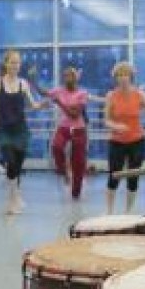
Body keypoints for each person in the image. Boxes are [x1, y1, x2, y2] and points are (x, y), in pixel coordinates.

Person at [0, 49, 45, 214]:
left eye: (17, 63)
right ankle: (12, 200)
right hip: (4, 130)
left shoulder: (23, 84)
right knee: (10, 161)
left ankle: (16, 196)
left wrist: (42, 104)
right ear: (6, 64)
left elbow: (32, 105)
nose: (15, 66)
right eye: (12, 62)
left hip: (21, 130)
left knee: (17, 166)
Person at [104, 61, 145, 214]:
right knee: (114, 175)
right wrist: (116, 126)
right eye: (120, 75)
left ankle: (128, 212)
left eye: (126, 74)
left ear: (131, 77)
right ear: (116, 78)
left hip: (137, 140)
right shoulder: (111, 95)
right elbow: (106, 120)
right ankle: (109, 212)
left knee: (133, 177)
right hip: (116, 141)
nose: (123, 78)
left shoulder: (139, 94)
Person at [37, 67, 91, 199]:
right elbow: (44, 93)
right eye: (65, 76)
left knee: (78, 162)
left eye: (70, 76)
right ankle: (64, 172)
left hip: (79, 129)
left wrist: (60, 103)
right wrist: (34, 78)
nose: (67, 78)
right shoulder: (59, 90)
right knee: (56, 147)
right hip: (63, 127)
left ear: (76, 78)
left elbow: (75, 114)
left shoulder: (82, 93)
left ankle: (75, 192)